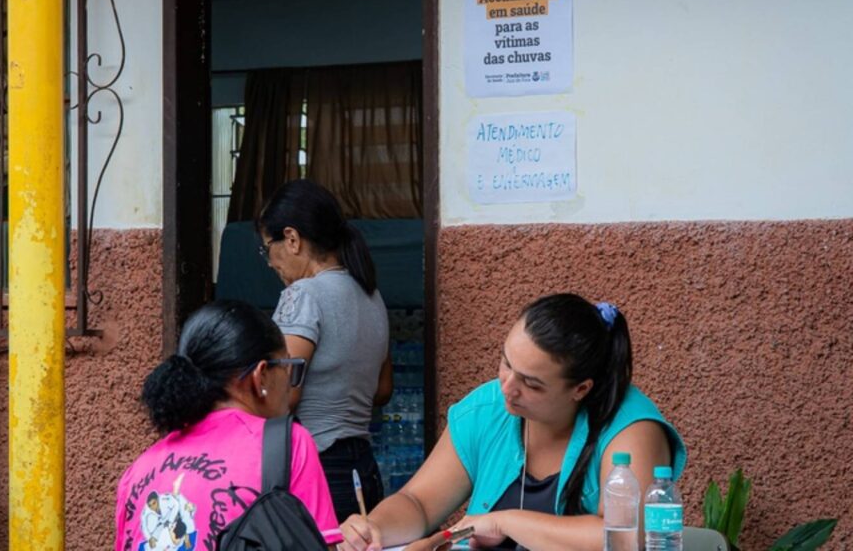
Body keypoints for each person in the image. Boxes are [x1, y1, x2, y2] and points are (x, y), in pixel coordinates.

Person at [339, 293, 687, 551]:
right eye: (506, 363)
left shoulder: (631, 428)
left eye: (531, 383)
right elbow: (418, 502)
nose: (506, 388)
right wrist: (375, 528)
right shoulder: (486, 409)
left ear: (580, 389)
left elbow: (627, 538)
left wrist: (505, 521)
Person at [114, 300, 338, 551]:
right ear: (261, 375)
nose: (289, 383)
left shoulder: (139, 471)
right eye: (287, 368)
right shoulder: (287, 446)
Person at [257, 179, 393, 522]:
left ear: (291, 238)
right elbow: (382, 390)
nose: (269, 263)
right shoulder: (372, 296)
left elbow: (283, 394)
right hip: (363, 468)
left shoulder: (303, 295)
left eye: (267, 248)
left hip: (318, 467)